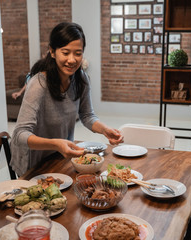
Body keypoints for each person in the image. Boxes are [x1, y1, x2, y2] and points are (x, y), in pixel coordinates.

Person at [10, 22, 123, 176]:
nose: (72, 60)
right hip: (34, 163)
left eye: (78, 53)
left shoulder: (81, 78)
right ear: (52, 51)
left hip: (61, 156)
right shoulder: (39, 84)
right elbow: (20, 134)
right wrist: (55, 144)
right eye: (65, 52)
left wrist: (105, 130)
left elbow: (87, 115)